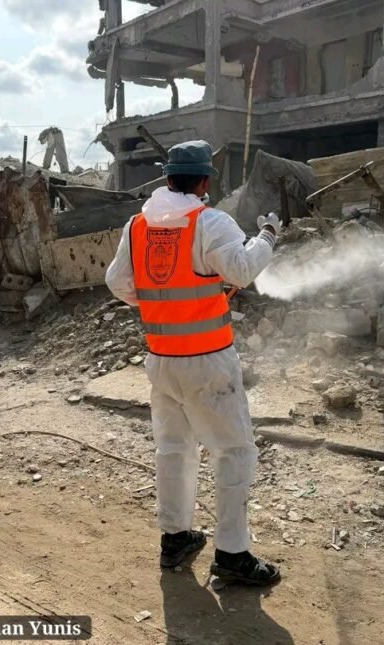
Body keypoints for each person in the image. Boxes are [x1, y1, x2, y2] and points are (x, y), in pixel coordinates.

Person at [105, 140, 282, 586]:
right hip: (207, 363)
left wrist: (167, 305)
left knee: (174, 449)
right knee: (234, 451)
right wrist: (267, 237)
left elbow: (118, 282)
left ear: (167, 178)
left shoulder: (138, 225)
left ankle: (176, 539)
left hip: (163, 361)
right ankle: (233, 554)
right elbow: (241, 270)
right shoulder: (211, 221)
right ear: (205, 182)